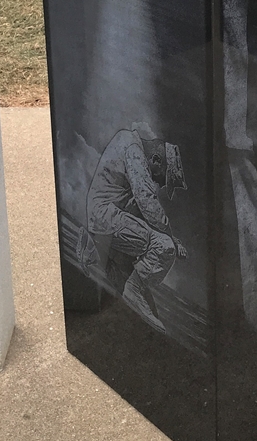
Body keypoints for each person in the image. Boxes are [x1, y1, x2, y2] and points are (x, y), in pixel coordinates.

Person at [78, 121, 187, 333]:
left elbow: (140, 206)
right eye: (162, 178)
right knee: (164, 247)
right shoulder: (134, 151)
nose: (160, 184)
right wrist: (172, 238)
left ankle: (94, 246)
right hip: (105, 216)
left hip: (104, 216)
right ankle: (132, 288)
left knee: (130, 270)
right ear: (156, 160)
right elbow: (147, 201)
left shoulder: (128, 142)